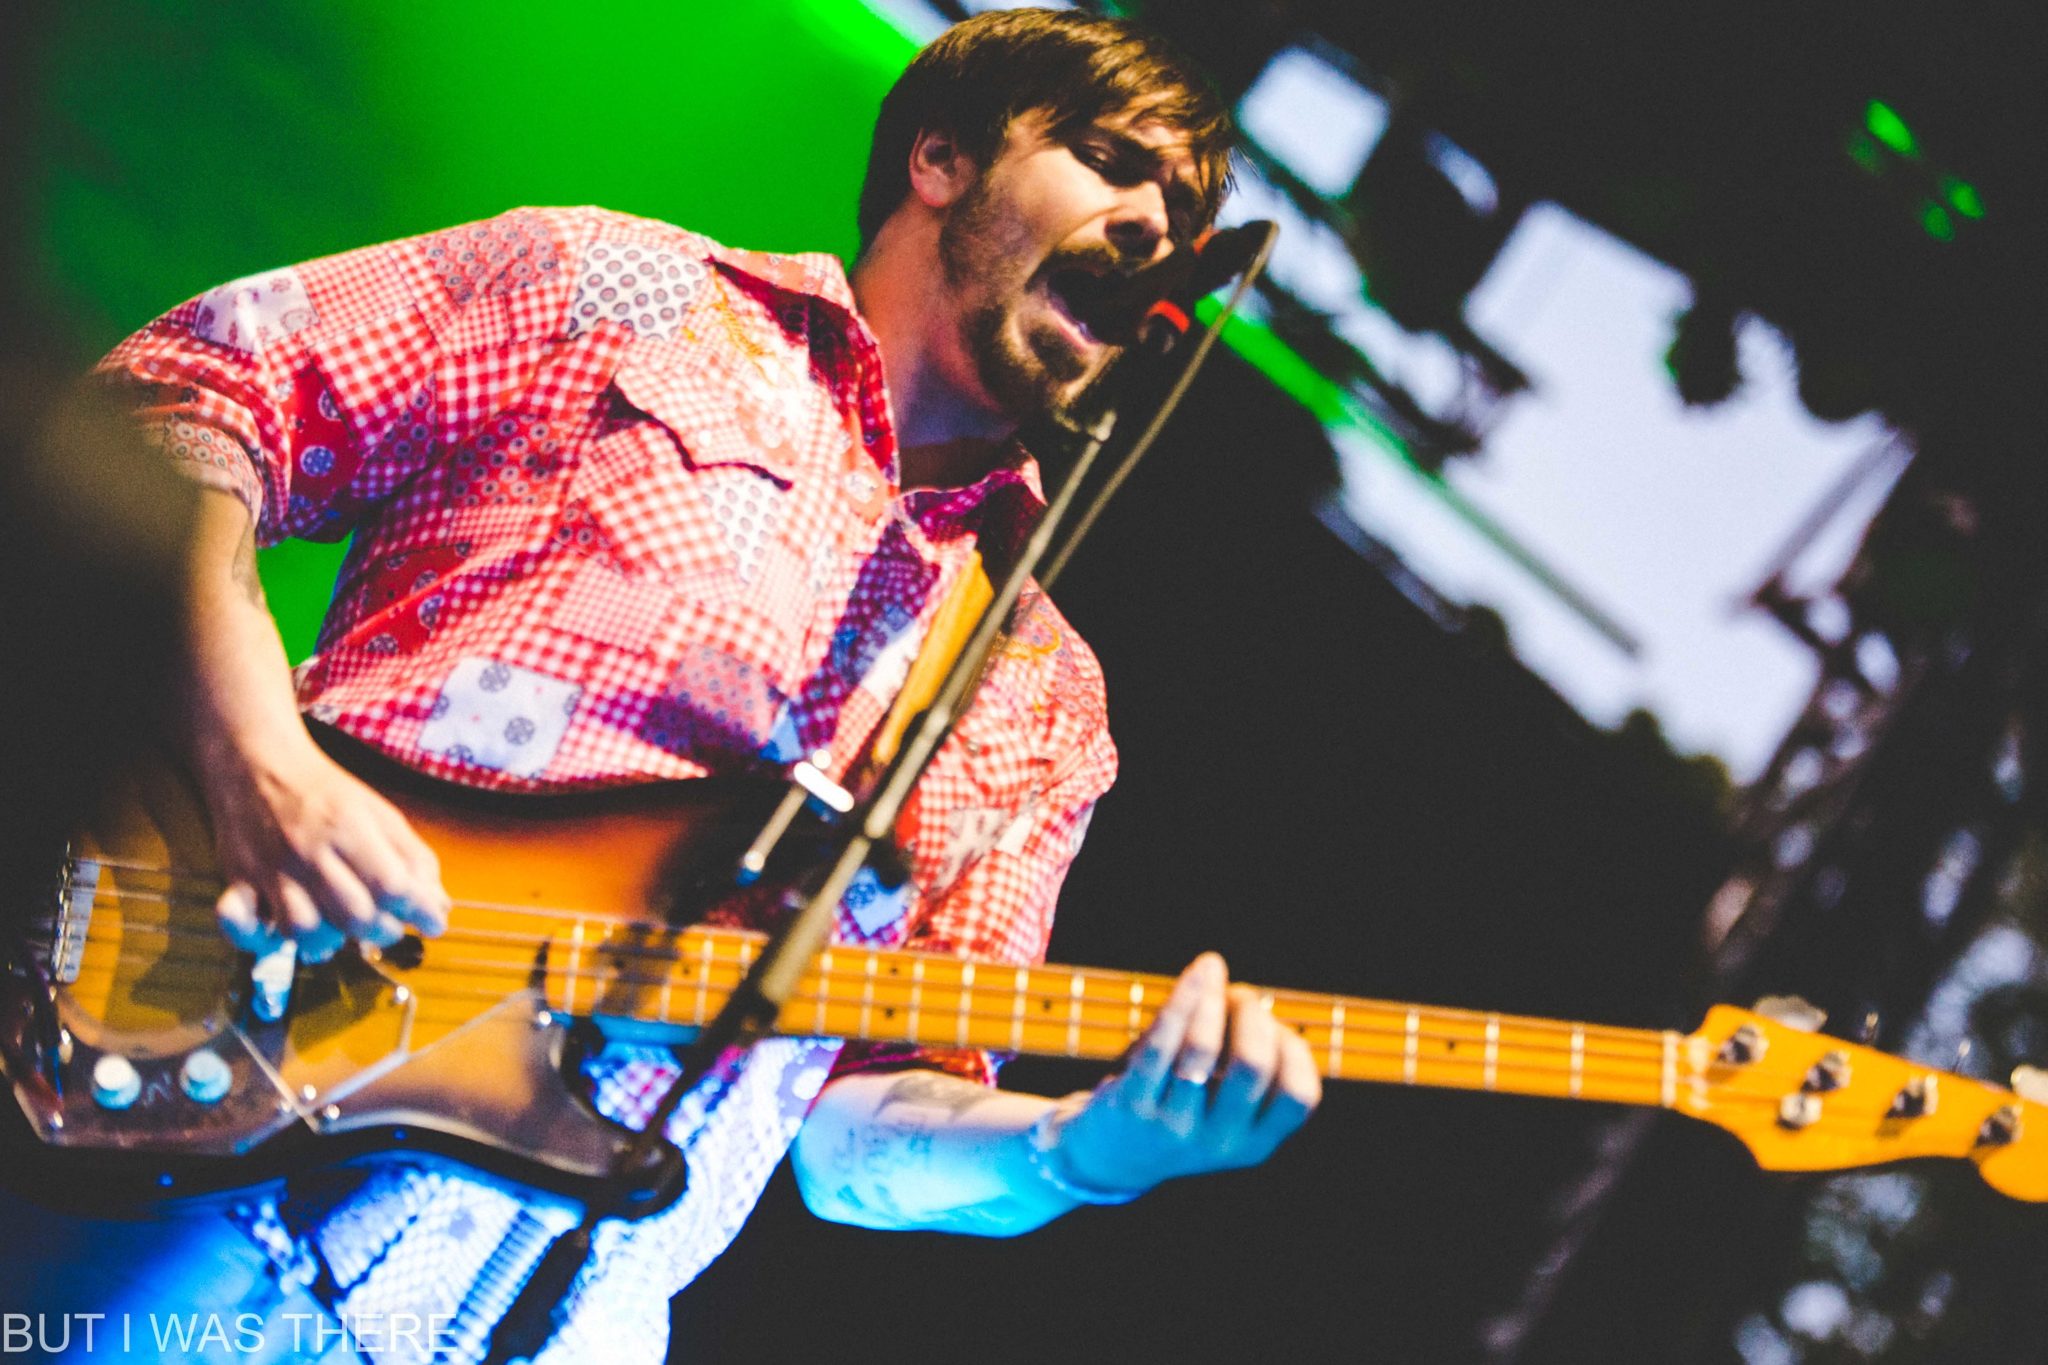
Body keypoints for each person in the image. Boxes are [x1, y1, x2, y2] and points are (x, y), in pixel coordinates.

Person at [71, 9, 1320, 1361]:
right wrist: (259, 759)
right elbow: (181, 404)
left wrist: (1085, 1151)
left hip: (543, 1325)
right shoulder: (618, 290)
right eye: (1106, 159)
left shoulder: (1042, 698)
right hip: (201, 1159)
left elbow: (856, 1140)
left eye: (1182, 208)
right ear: (942, 159)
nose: (1152, 225)